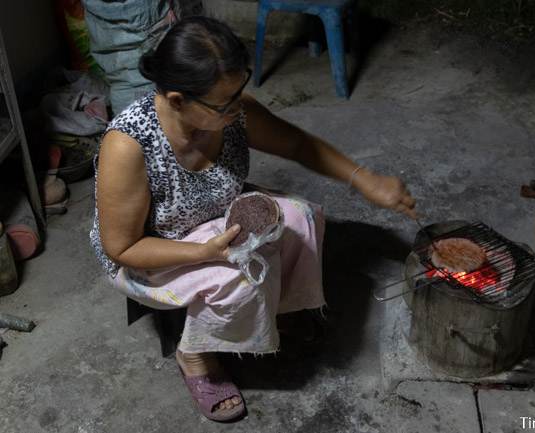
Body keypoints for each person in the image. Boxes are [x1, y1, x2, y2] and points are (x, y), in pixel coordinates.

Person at [89, 16, 416, 422]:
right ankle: (194, 356)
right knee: (241, 275)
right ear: (176, 100)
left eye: (238, 92)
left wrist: (363, 178)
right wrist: (202, 252)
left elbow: (296, 143)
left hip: (216, 216)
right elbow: (121, 247)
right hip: (155, 252)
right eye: (223, 103)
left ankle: (277, 312)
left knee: (300, 218)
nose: (236, 108)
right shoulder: (129, 145)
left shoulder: (231, 111)